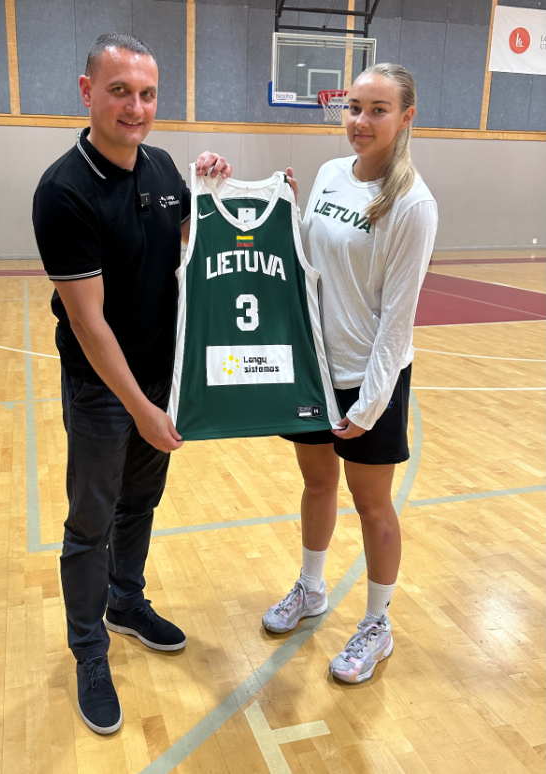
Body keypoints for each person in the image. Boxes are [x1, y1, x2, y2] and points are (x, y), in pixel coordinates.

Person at [32, 33, 231, 735]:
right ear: (88, 92)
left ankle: (125, 600)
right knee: (90, 522)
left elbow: (194, 240)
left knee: (139, 502)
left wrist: (220, 191)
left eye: (147, 94)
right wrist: (141, 407)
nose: (136, 107)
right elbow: (88, 324)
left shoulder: (163, 166)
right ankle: (89, 651)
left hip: (160, 377)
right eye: (119, 91)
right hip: (102, 389)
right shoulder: (64, 191)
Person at [262, 63, 438, 684]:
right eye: (354, 107)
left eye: (377, 110)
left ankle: (377, 624)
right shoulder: (331, 174)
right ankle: (311, 589)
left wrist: (369, 404)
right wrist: (282, 204)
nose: (360, 121)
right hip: (316, 366)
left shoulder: (412, 204)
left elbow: (398, 319)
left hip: (369, 378)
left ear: (406, 117)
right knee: (316, 484)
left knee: (372, 504)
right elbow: (310, 255)